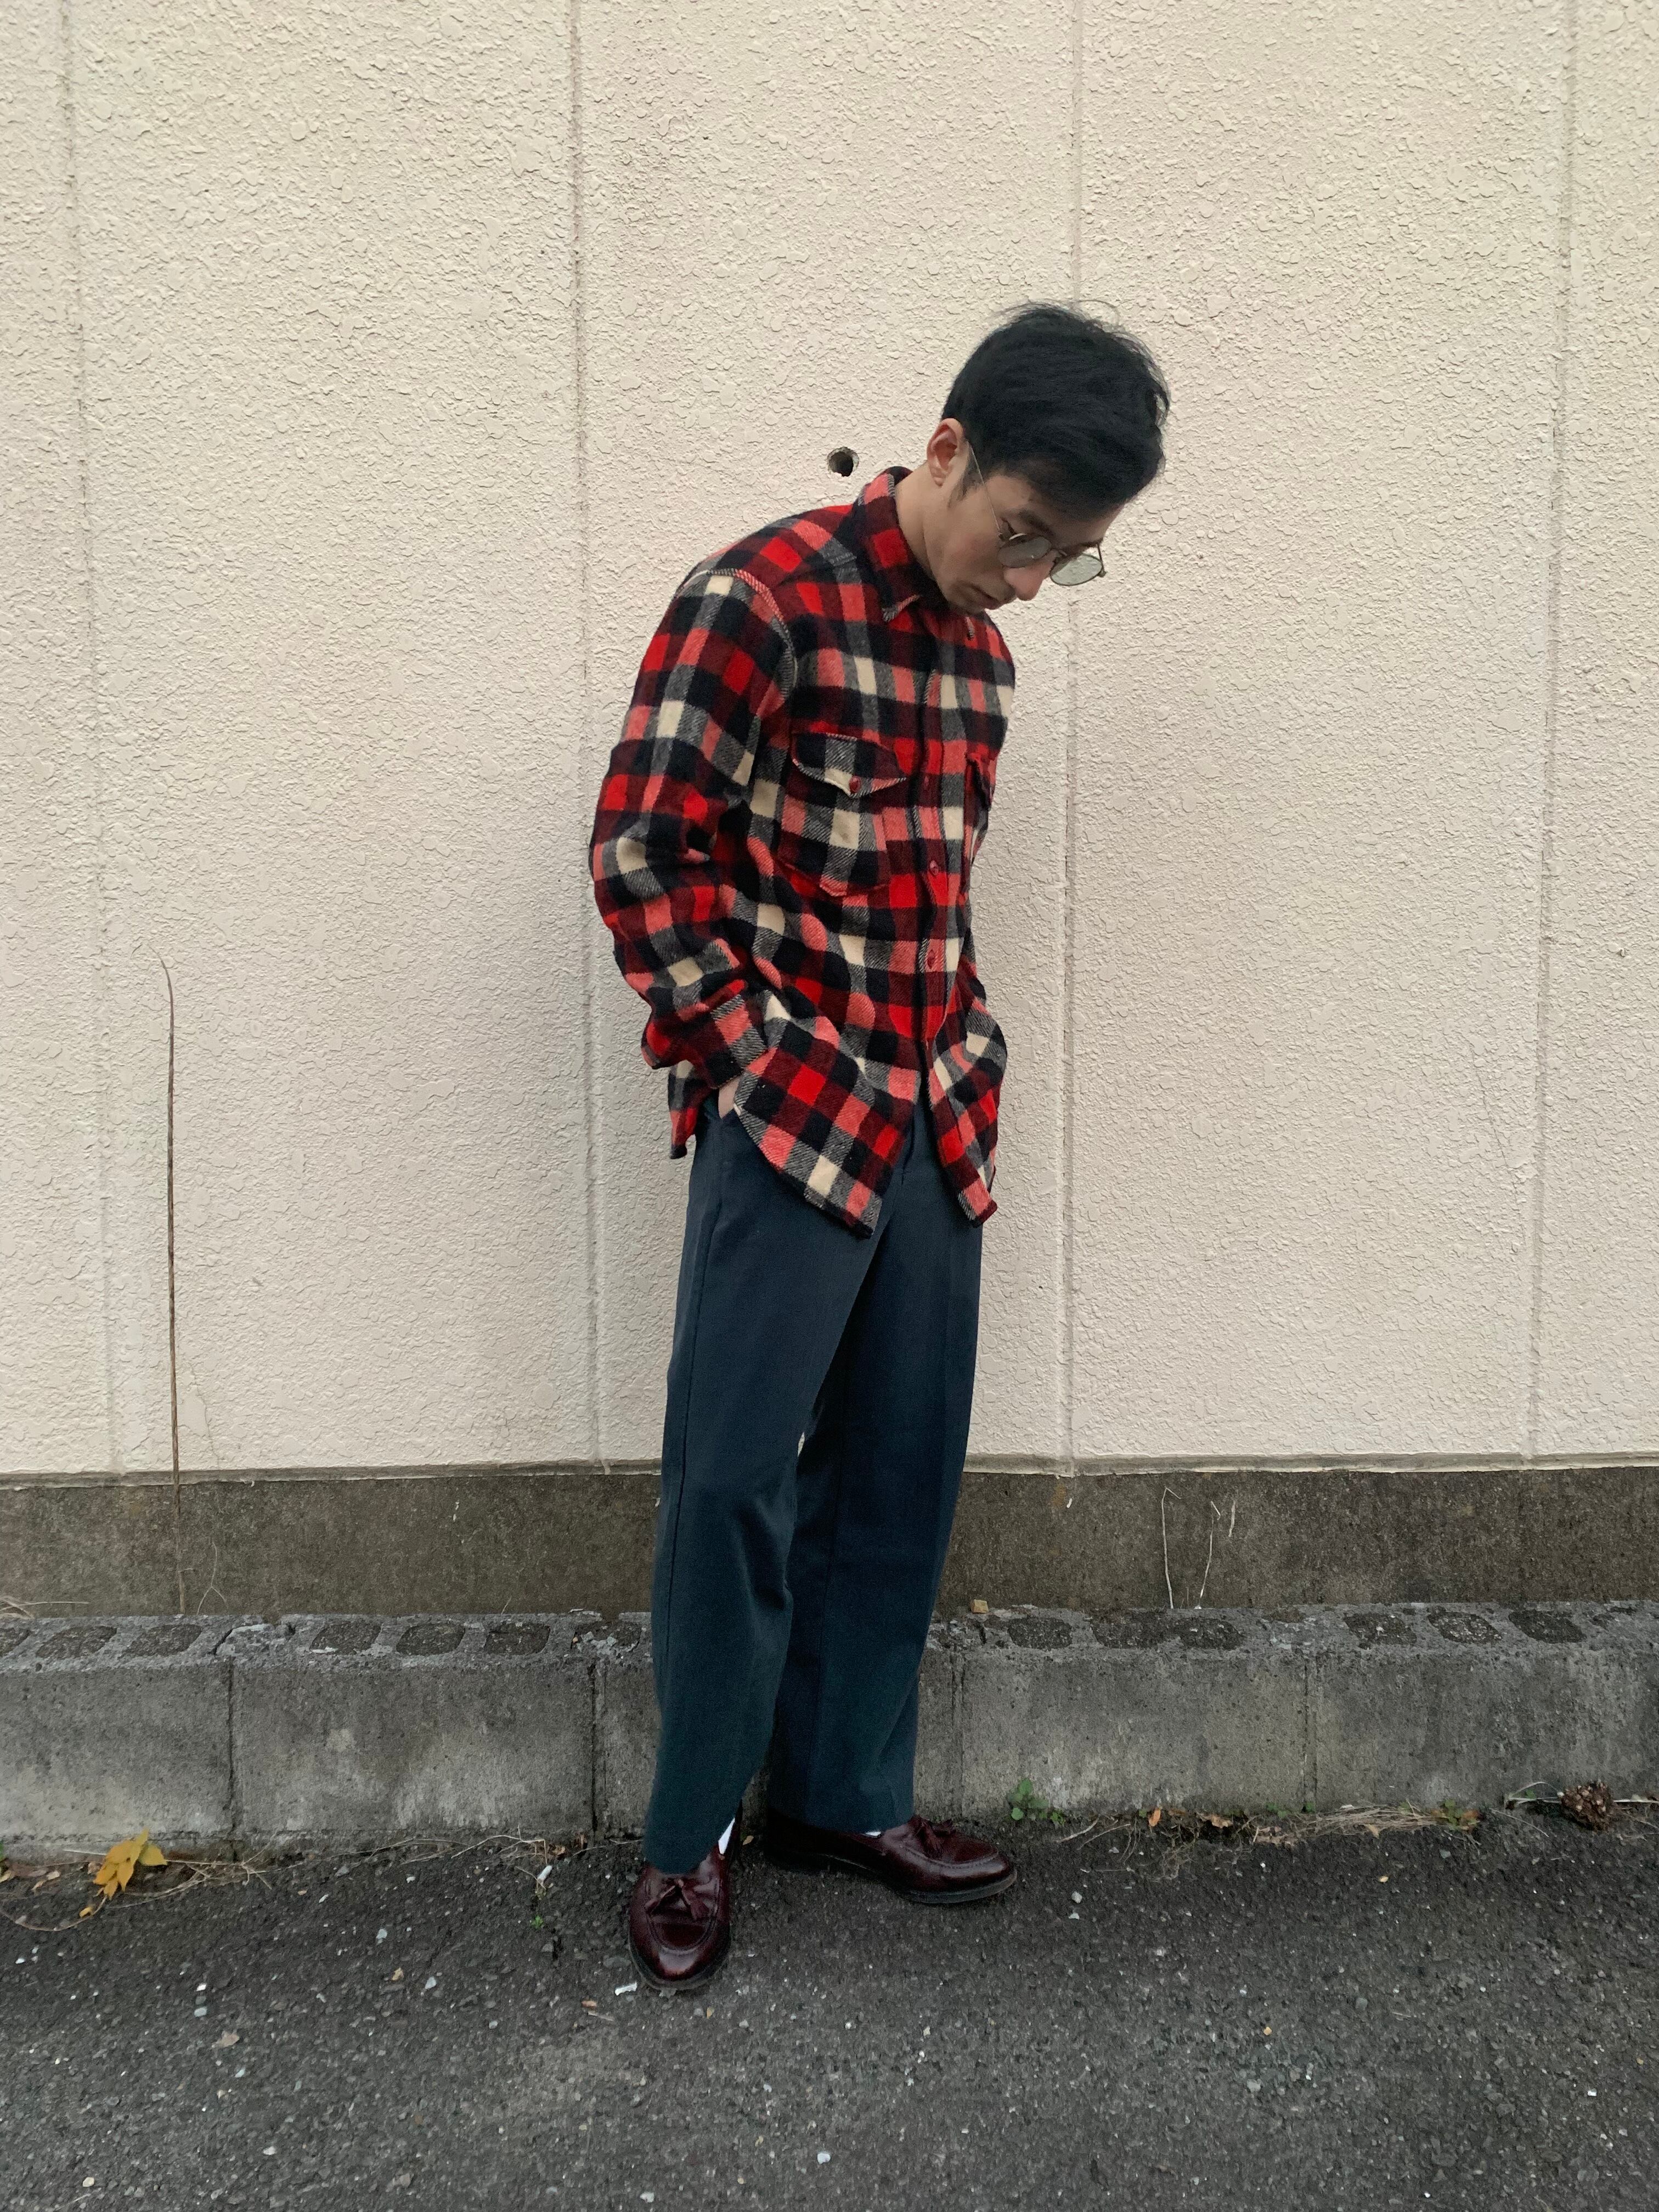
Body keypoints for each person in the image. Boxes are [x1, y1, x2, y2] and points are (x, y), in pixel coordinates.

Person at [588, 301, 1170, 1993]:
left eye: (1070, 557)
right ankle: (691, 1834)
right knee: (731, 1483)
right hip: (794, 1116)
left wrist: (965, 1052)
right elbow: (643, 848)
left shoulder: (983, 663)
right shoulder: (758, 599)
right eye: (1024, 533)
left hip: (934, 1114)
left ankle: (843, 1798)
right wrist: (748, 1056)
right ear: (947, 450)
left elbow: (931, 890)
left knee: (901, 1472)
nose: (1032, 582)